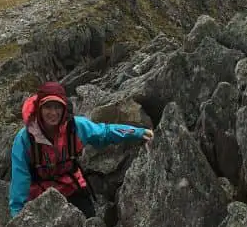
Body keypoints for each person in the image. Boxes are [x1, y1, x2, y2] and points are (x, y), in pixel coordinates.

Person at [9, 80, 153, 218]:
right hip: (40, 198)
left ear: (64, 108)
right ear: (39, 109)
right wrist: (17, 214)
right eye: (48, 107)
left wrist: (137, 132)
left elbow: (105, 133)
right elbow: (20, 179)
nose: (53, 113)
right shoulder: (25, 139)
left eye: (57, 107)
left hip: (72, 188)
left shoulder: (76, 126)